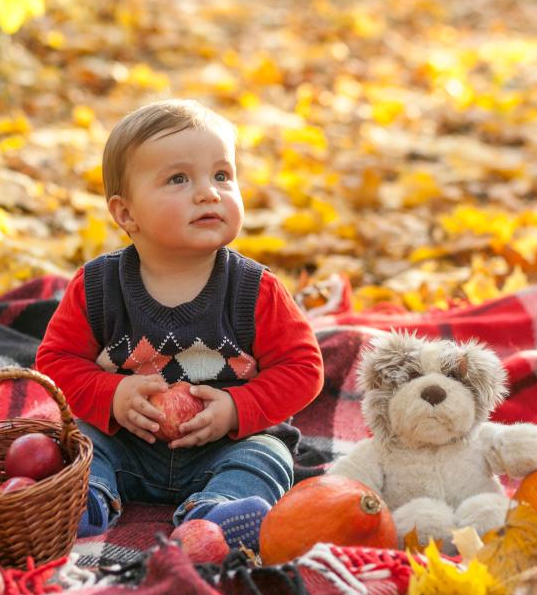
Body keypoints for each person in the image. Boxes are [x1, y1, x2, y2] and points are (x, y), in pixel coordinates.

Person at [35, 99, 324, 552]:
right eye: (178, 179)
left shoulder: (255, 290)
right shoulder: (97, 287)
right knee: (80, 441)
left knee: (267, 457)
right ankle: (83, 499)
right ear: (126, 214)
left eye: (222, 176)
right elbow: (55, 361)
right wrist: (111, 395)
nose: (209, 192)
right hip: (128, 441)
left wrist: (236, 409)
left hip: (226, 445)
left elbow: (303, 368)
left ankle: (218, 512)